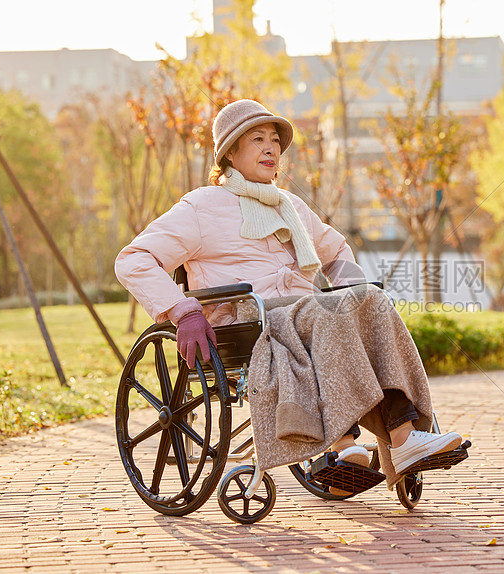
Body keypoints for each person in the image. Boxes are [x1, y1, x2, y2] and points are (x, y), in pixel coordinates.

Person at [115, 99, 463, 481]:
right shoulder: (202, 205)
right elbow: (133, 259)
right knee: (329, 311)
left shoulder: (291, 205)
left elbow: (336, 251)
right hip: (246, 320)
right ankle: (350, 443)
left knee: (372, 301)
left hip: (301, 314)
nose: (271, 148)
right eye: (257, 139)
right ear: (229, 152)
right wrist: (184, 310)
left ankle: (402, 438)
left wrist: (357, 299)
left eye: (275, 141)